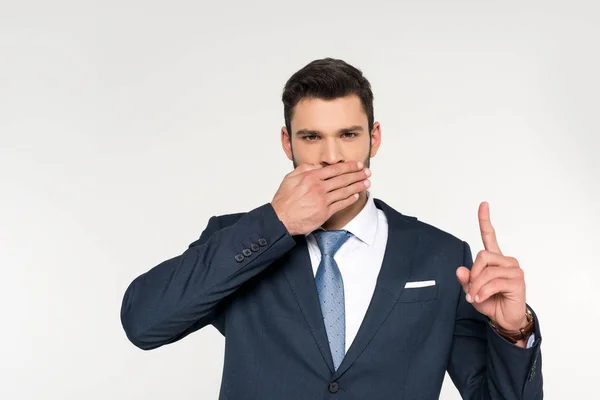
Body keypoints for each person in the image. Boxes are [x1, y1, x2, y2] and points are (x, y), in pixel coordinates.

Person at [120, 58, 543, 399]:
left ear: (373, 139)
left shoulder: (441, 255)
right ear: (287, 142)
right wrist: (276, 223)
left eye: (348, 134)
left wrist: (513, 331)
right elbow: (144, 323)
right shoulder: (239, 239)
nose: (331, 156)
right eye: (311, 138)